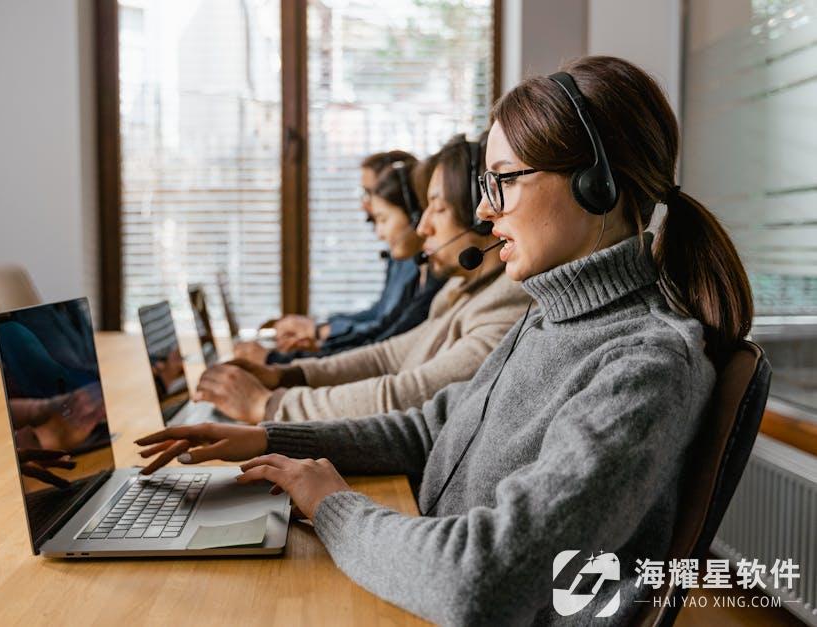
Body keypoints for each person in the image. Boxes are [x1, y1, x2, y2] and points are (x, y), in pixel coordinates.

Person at [135, 56, 753, 625]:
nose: (484, 213)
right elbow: (432, 429)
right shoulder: (548, 317)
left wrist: (334, 507)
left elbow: (484, 579)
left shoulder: (646, 365)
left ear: (598, 184)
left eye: (504, 180)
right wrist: (272, 439)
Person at [195, 134, 530, 423]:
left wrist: (267, 404)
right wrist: (286, 374)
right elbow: (385, 356)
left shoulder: (505, 304)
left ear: (482, 218)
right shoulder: (463, 288)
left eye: (437, 209)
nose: (422, 226)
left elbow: (408, 393)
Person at [236, 155, 446, 365]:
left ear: (413, 212)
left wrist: (286, 360)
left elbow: (383, 345)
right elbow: (382, 329)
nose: (366, 204)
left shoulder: (430, 275)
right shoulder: (416, 267)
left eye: (369, 192)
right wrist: (320, 343)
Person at [265, 151, 421, 355]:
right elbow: (380, 314)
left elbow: (387, 332)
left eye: (369, 192)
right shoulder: (400, 254)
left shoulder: (417, 259)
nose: (365, 204)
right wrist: (322, 328)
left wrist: (319, 333)